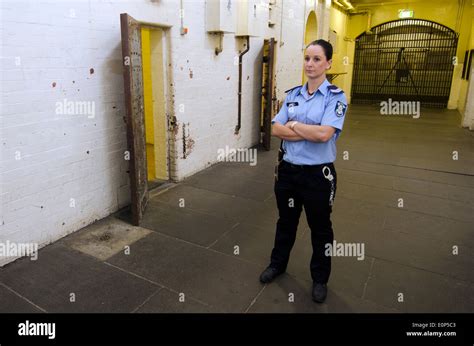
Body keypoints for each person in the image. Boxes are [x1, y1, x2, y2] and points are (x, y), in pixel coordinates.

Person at [259, 39, 348, 303]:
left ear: (328, 63)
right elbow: (275, 129)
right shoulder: (293, 94)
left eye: (317, 59)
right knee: (285, 222)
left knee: (320, 228)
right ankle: (278, 264)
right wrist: (304, 129)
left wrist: (294, 125)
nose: (310, 64)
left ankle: (320, 279)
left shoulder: (336, 97)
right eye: (307, 58)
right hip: (288, 172)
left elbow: (324, 135)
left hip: (318, 176)